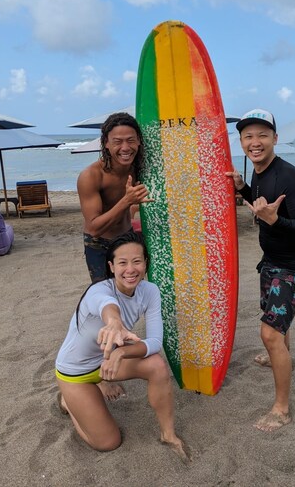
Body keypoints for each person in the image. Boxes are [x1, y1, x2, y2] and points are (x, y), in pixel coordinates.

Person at [55, 232, 190, 461]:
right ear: (111, 266)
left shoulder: (150, 291)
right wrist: (114, 323)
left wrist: (121, 353)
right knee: (108, 443)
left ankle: (168, 434)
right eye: (122, 263)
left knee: (156, 365)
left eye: (137, 261)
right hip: (74, 371)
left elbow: (155, 342)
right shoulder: (98, 291)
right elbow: (108, 308)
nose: (131, 269)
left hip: (106, 362)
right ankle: (68, 400)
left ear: (146, 263)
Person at [226, 109, 295, 432]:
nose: (255, 142)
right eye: (248, 136)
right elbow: (260, 203)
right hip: (272, 261)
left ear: (275, 138)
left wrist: (275, 221)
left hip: (293, 267)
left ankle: (281, 409)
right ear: (242, 142)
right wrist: (242, 189)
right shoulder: (257, 171)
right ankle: (280, 354)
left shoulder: (290, 176)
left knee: (269, 332)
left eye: (263, 134)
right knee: (277, 322)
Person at [77, 112, 152, 284]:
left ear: (139, 141)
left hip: (127, 237)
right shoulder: (91, 176)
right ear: (106, 144)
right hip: (99, 244)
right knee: (106, 295)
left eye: (131, 140)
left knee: (132, 292)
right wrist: (127, 201)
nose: (125, 148)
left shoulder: (140, 169)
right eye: (117, 142)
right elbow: (94, 228)